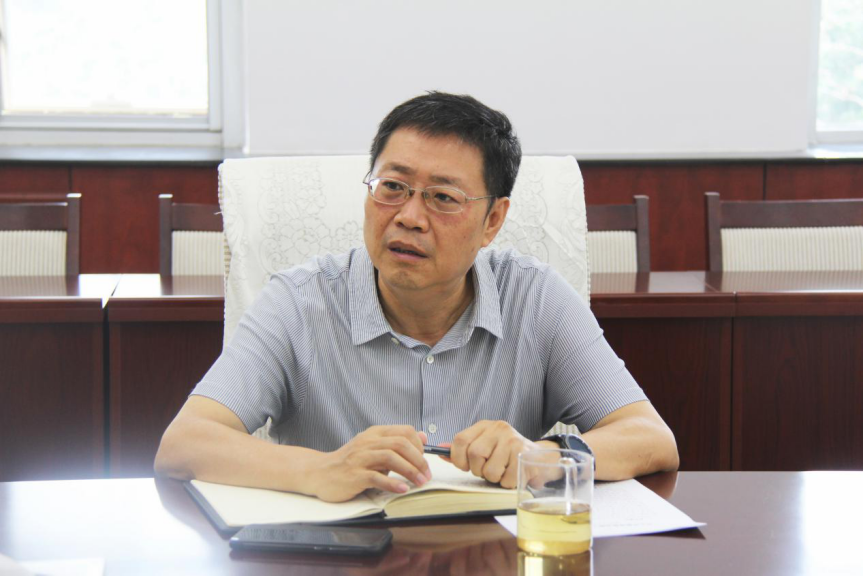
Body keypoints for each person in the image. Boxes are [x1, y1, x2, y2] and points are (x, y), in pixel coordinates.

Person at [154, 92, 678, 502]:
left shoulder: (535, 298)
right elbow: (185, 444)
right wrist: (322, 469)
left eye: (442, 197)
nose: (408, 217)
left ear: (492, 220)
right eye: (392, 187)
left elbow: (650, 439)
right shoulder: (298, 302)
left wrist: (544, 456)